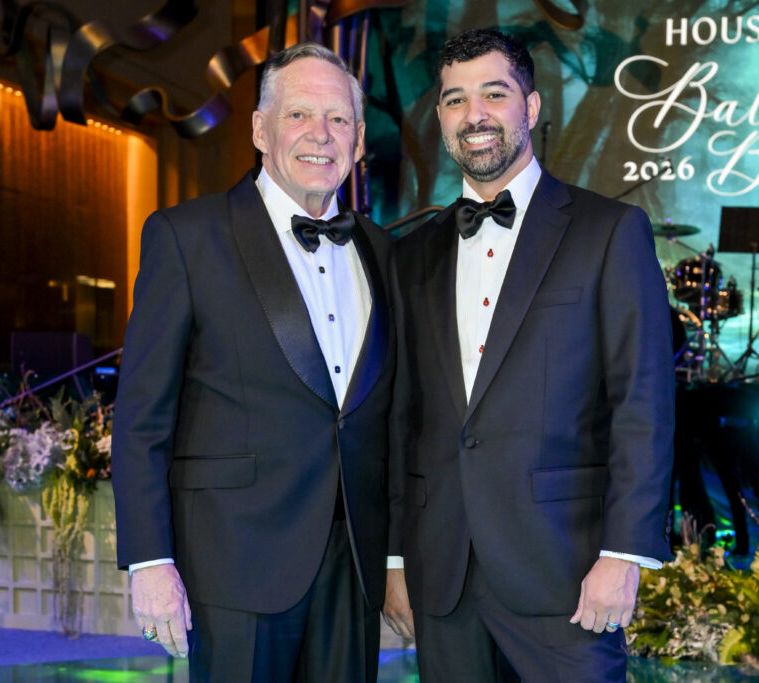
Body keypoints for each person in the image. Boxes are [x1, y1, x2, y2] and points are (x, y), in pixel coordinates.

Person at [383, 28, 675, 681]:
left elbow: (642, 403)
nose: (474, 114)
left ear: (532, 108)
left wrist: (624, 552)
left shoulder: (608, 231)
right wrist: (396, 560)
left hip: (567, 575)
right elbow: (402, 421)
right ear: (440, 118)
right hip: (443, 575)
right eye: (455, 100)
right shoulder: (409, 255)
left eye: (494, 93)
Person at [112, 43, 395, 682]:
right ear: (260, 130)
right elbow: (141, 419)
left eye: (339, 120)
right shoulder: (187, 237)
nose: (321, 135)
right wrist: (150, 561)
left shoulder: (381, 249)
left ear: (357, 145)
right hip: (233, 566)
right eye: (299, 115)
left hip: (353, 565)